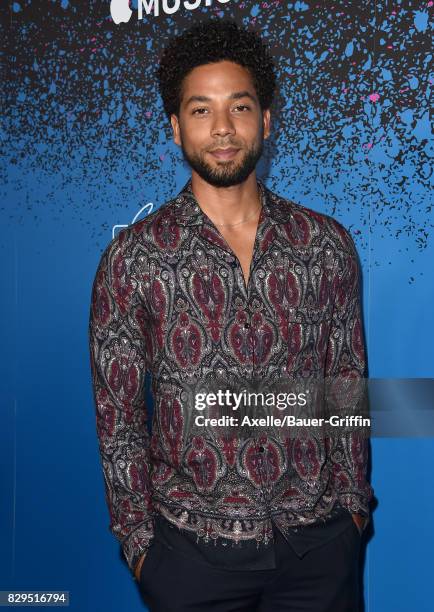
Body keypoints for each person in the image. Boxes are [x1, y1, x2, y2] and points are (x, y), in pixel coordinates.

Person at [88, 19, 373, 612]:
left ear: (265, 120)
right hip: (190, 556)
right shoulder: (133, 258)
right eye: (200, 110)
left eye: (239, 106)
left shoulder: (325, 244)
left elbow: (346, 386)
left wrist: (352, 509)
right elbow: (117, 420)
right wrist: (141, 544)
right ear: (175, 128)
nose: (222, 127)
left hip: (319, 548)